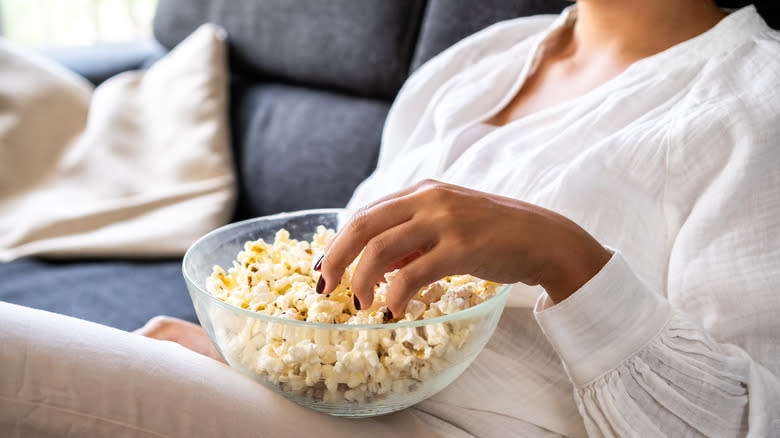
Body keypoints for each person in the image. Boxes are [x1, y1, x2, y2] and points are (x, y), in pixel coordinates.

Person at [3, 0, 779, 436]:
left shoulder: (754, 103)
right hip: (332, 408)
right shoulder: (474, 65)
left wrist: (563, 258)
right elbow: (345, 298)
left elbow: (748, 422)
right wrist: (239, 355)